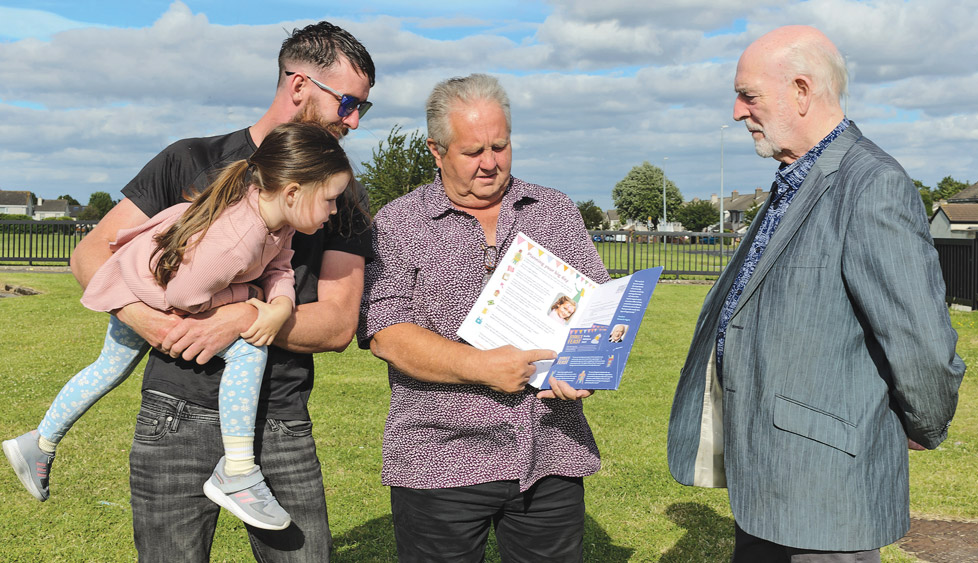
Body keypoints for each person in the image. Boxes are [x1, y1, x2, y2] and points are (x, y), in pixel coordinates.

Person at [67, 22, 375, 561]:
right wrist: (155, 324)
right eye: (348, 102)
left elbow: (338, 323)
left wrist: (245, 320)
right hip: (173, 415)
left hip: (279, 420)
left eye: (361, 109)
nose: (352, 120)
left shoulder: (340, 194)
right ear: (299, 87)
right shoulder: (188, 159)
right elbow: (90, 256)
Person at [666, 25, 965, 562]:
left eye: (748, 95)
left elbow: (921, 340)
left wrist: (925, 422)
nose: (737, 111)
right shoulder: (795, 177)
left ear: (802, 91)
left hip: (825, 489)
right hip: (765, 479)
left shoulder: (871, 184)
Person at [4, 122, 353, 532]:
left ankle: (39, 442)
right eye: (330, 200)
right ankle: (238, 472)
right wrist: (248, 304)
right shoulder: (234, 241)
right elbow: (186, 297)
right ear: (293, 192)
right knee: (248, 347)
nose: (333, 210)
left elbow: (278, 266)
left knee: (108, 368)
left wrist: (277, 306)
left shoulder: (278, 219)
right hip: (148, 292)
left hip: (152, 282)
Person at [358, 73, 607, 562]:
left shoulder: (553, 210)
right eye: (474, 152)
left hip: (550, 450)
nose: (491, 163)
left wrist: (587, 364)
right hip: (440, 455)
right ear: (436, 150)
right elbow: (385, 332)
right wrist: (483, 367)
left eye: (501, 145)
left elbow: (596, 305)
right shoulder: (398, 222)